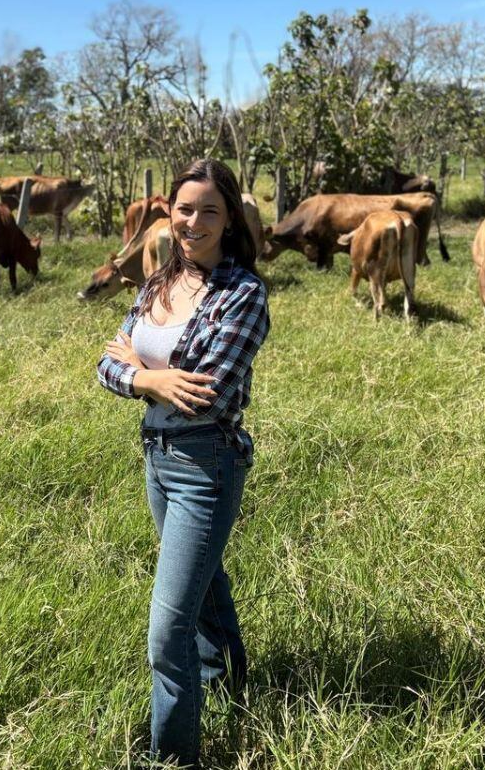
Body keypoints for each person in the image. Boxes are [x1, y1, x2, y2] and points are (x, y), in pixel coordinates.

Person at [97, 158, 270, 768]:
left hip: (206, 466)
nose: (193, 222)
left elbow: (207, 393)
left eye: (209, 212)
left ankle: (171, 757)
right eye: (184, 209)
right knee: (204, 586)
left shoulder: (243, 293)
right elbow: (105, 365)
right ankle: (232, 687)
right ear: (169, 212)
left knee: (166, 632)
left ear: (230, 222)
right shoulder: (158, 283)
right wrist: (152, 379)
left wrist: (141, 370)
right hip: (155, 457)